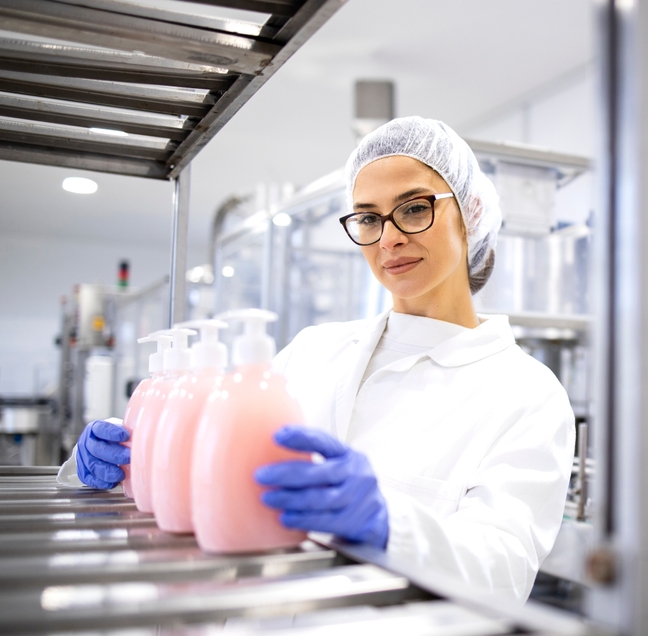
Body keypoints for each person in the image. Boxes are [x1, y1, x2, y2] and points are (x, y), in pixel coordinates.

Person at [67, 117, 576, 602]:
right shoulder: (313, 351)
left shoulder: (527, 395)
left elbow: (503, 570)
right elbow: (206, 467)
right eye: (368, 217)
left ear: (472, 211)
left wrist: (387, 521)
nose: (390, 237)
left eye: (415, 207)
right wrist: (126, 457)